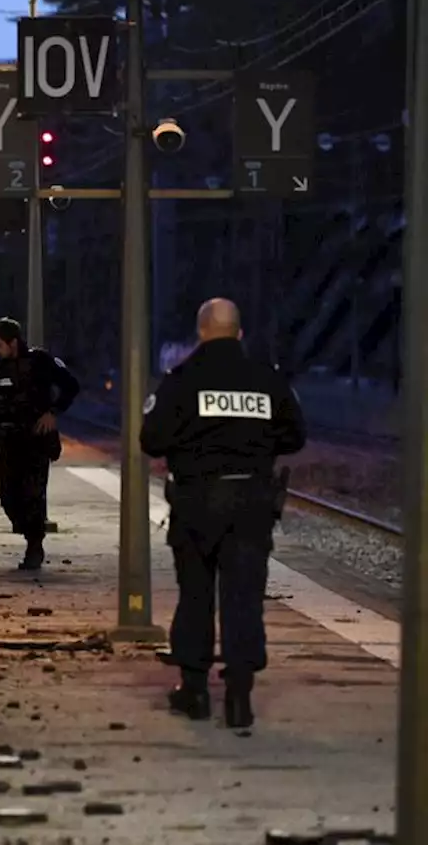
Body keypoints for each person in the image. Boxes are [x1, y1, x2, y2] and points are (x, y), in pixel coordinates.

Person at [140, 298, 306, 730]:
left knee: (196, 593)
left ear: (201, 332)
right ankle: (239, 696)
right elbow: (294, 436)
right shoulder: (266, 379)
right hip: (251, 501)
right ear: (240, 333)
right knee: (244, 596)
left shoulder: (182, 379)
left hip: (196, 501)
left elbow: (152, 439)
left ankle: (194, 691)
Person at [0, 317, 80, 570]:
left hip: (36, 442)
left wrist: (53, 412)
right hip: (9, 443)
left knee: (33, 495)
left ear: (13, 342)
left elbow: (71, 386)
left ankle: (34, 545)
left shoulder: (41, 362)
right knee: (7, 493)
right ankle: (26, 530)